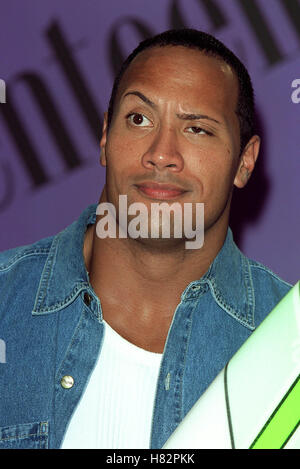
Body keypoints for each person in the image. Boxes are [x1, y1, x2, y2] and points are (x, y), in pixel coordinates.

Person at [0, 29, 291, 450]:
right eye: (139, 119)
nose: (161, 152)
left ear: (244, 161)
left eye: (197, 129)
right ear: (105, 136)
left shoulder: (289, 348)